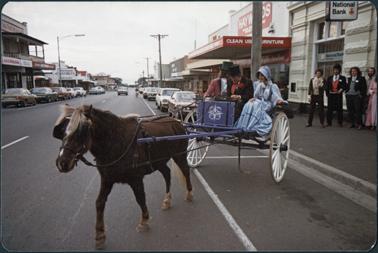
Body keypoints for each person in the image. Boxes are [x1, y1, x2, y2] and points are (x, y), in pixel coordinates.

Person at [235, 65, 284, 137]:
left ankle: (252, 127)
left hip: (267, 103)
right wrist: (253, 98)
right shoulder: (258, 85)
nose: (260, 77)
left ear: (266, 75)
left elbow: (276, 96)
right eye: (259, 75)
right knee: (249, 104)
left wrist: (278, 100)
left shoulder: (273, 86)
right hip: (259, 102)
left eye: (262, 75)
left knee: (256, 105)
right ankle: (244, 126)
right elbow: (256, 96)